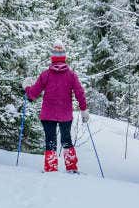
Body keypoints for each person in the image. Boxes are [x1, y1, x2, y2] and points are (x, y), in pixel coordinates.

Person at [23, 41, 89, 173]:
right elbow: (79, 93)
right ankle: (71, 168)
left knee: (50, 141)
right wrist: (83, 109)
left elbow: (33, 94)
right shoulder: (71, 75)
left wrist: (26, 88)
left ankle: (51, 168)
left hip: (48, 114)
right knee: (66, 139)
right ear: (64, 57)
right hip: (65, 114)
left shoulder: (46, 75)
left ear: (52, 57)